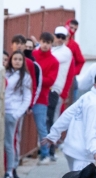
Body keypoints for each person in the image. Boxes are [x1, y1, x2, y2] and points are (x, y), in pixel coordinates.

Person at [32, 32, 60, 165]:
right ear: (40, 41)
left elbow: (50, 80)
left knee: (42, 127)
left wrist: (36, 78)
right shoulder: (33, 55)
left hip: (41, 97)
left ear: (51, 44)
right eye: (43, 42)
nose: (45, 45)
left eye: (48, 43)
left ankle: (45, 154)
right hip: (28, 95)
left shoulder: (54, 61)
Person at [4, 51, 32, 178]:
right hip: (2, 111)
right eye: (15, 59)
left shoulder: (25, 77)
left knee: (11, 142)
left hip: (13, 112)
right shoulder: (5, 73)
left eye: (20, 59)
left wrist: (17, 113)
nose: (17, 61)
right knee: (5, 142)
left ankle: (11, 169)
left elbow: (27, 98)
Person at [49, 26, 74, 159]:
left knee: (53, 121)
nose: (59, 39)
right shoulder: (52, 49)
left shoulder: (66, 52)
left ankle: (51, 150)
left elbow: (51, 59)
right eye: (57, 35)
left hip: (55, 90)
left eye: (62, 37)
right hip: (46, 88)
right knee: (46, 120)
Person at [11, 34, 39, 104]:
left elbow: (33, 84)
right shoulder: (7, 60)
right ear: (12, 45)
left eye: (22, 43)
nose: (19, 46)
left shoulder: (29, 63)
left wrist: (30, 103)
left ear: (24, 46)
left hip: (23, 101)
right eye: (17, 43)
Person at [65, 19, 85, 103]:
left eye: (75, 29)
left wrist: (73, 73)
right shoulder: (56, 41)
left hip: (71, 78)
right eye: (71, 27)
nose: (72, 31)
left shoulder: (74, 45)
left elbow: (81, 61)